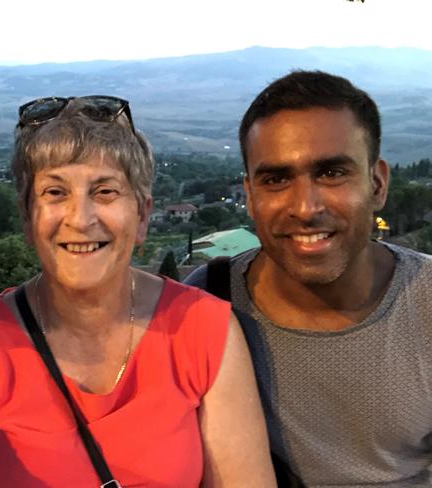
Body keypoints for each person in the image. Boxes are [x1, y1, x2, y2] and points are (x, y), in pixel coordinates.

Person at [0, 96, 276, 487]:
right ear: (27, 218)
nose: (81, 219)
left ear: (142, 217)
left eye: (105, 192)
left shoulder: (206, 332)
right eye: (55, 193)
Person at [185, 70, 432, 486]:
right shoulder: (206, 306)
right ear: (249, 196)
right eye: (276, 179)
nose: (304, 206)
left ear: (377, 183)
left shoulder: (425, 304)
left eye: (332, 173)